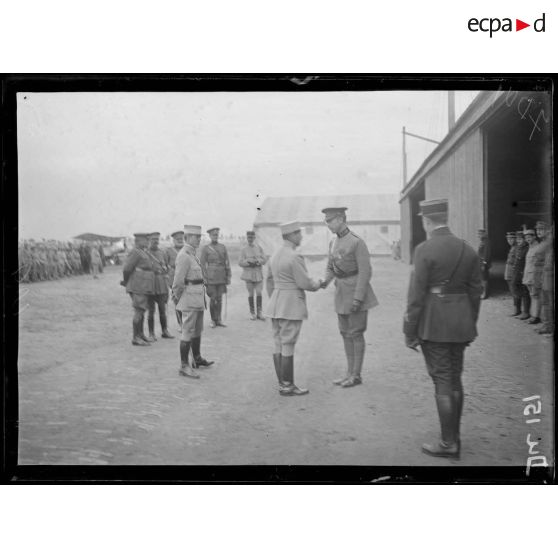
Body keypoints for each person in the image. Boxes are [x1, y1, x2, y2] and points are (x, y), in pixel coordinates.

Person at [403, 199, 482, 459]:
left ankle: (449, 444)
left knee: (442, 379)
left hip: (433, 324)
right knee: (455, 376)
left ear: (426, 221)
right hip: (460, 323)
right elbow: (475, 292)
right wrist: (469, 322)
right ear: (446, 217)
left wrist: (409, 331)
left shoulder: (424, 249)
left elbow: (416, 296)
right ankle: (454, 437)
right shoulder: (468, 249)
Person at [320, 207, 379, 388]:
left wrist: (358, 298)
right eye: (326, 221)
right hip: (341, 293)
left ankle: (356, 375)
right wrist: (325, 281)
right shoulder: (333, 243)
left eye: (330, 220)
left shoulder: (356, 242)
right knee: (345, 333)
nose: (327, 224)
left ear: (340, 219)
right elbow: (331, 267)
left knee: (356, 333)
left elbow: (365, 272)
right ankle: (349, 373)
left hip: (355, 293)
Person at [265, 221, 322, 396]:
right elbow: (304, 283)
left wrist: (275, 298)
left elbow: (269, 281)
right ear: (291, 235)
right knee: (288, 344)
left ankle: (282, 383)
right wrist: (319, 283)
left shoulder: (274, 255)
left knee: (278, 343)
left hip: (276, 304)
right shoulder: (294, 256)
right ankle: (288, 386)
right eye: (298, 233)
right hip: (290, 305)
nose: (301, 236)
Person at [172, 225, 214, 379]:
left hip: (197, 297)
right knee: (187, 331)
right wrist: (177, 297)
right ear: (187, 238)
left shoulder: (193, 255)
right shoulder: (184, 255)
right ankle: (184, 366)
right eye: (196, 237)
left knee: (197, 330)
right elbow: (178, 281)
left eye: (199, 236)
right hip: (189, 298)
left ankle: (196, 358)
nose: (199, 239)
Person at [121, 233, 155, 346]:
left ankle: (141, 335)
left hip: (144, 285)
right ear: (138, 241)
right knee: (139, 311)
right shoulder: (135, 252)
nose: (148, 242)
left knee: (142, 310)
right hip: (138, 284)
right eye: (145, 240)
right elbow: (126, 269)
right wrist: (126, 282)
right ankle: (136, 337)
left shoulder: (142, 251)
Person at [200, 227, 231, 327]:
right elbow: (202, 264)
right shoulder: (206, 248)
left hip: (221, 276)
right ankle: (213, 320)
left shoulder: (223, 247)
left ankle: (219, 320)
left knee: (220, 299)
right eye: (213, 235)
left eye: (216, 235)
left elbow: (227, 262)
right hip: (211, 277)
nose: (215, 236)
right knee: (213, 299)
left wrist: (228, 276)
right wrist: (204, 278)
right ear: (210, 236)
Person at [145, 232, 174, 341]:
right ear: (149, 240)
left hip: (161, 284)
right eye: (153, 239)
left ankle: (164, 331)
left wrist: (166, 272)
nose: (156, 241)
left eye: (157, 239)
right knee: (151, 311)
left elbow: (167, 267)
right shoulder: (145, 253)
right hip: (150, 284)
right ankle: (151, 334)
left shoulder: (162, 253)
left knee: (162, 309)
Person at [238, 230, 267, 320]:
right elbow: (240, 262)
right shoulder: (243, 249)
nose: (250, 239)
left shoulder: (259, 248)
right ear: (247, 238)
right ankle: (252, 313)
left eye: (252, 237)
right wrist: (248, 262)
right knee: (251, 293)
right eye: (248, 237)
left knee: (259, 292)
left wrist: (258, 262)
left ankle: (260, 312)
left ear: (254, 238)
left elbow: (265, 259)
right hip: (248, 274)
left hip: (258, 273)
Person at [165, 230, 185, 330]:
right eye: (178, 239)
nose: (180, 241)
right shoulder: (168, 251)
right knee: (177, 302)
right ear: (173, 240)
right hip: (174, 279)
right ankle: (181, 324)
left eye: (181, 239)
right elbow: (164, 265)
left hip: (187, 279)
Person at [522, 229, 542, 325]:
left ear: (534, 237)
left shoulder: (538, 248)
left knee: (535, 296)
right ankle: (533, 315)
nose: (527, 239)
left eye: (529, 237)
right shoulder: (530, 247)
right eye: (526, 238)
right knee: (532, 295)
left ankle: (535, 317)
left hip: (534, 276)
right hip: (528, 276)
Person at [537, 224, 554, 335]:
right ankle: (547, 326)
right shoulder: (547, 244)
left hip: (551, 279)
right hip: (546, 278)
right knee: (546, 303)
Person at [512, 231, 531, 320]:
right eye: (517, 239)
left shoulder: (527, 249)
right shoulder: (518, 248)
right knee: (516, 291)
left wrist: (523, 273)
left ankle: (526, 312)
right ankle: (518, 310)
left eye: (520, 239)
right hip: (516, 273)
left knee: (525, 293)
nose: (518, 240)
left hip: (522, 273)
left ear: (524, 240)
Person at [503, 231, 520, 316]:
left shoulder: (516, 248)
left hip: (513, 271)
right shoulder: (512, 247)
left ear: (515, 239)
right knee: (512, 290)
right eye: (508, 239)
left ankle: (516, 310)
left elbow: (516, 262)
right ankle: (516, 309)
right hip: (509, 270)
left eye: (511, 238)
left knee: (514, 290)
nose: (509, 240)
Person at [477, 229, 491, 299]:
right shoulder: (482, 241)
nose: (479, 235)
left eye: (480, 234)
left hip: (483, 263)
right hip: (480, 263)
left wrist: (484, 264)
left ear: (484, 234)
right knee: (482, 278)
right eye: (478, 234)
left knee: (484, 279)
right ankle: (483, 293)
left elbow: (487, 253)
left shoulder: (486, 241)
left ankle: (485, 294)